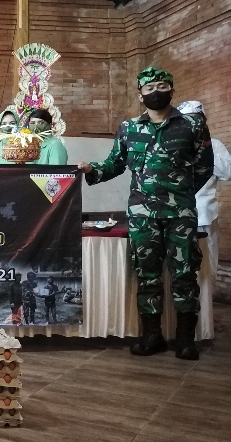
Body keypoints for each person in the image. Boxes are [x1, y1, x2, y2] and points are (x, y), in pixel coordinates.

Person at [78, 67, 213, 360]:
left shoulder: (192, 125)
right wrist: (92, 170)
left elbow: (205, 167)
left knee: (184, 274)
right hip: (143, 215)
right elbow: (114, 164)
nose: (156, 92)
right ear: (140, 95)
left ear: (172, 90)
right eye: (149, 88)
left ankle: (185, 340)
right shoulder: (129, 128)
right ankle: (152, 337)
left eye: (162, 86)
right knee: (147, 275)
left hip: (180, 214)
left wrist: (181, 193)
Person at [176, 100, 231, 279]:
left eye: (196, 119)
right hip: (175, 217)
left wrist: (205, 149)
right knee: (179, 267)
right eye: (186, 120)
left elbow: (227, 173)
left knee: (206, 266)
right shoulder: (172, 146)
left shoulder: (214, 145)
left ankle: (205, 298)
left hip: (204, 215)